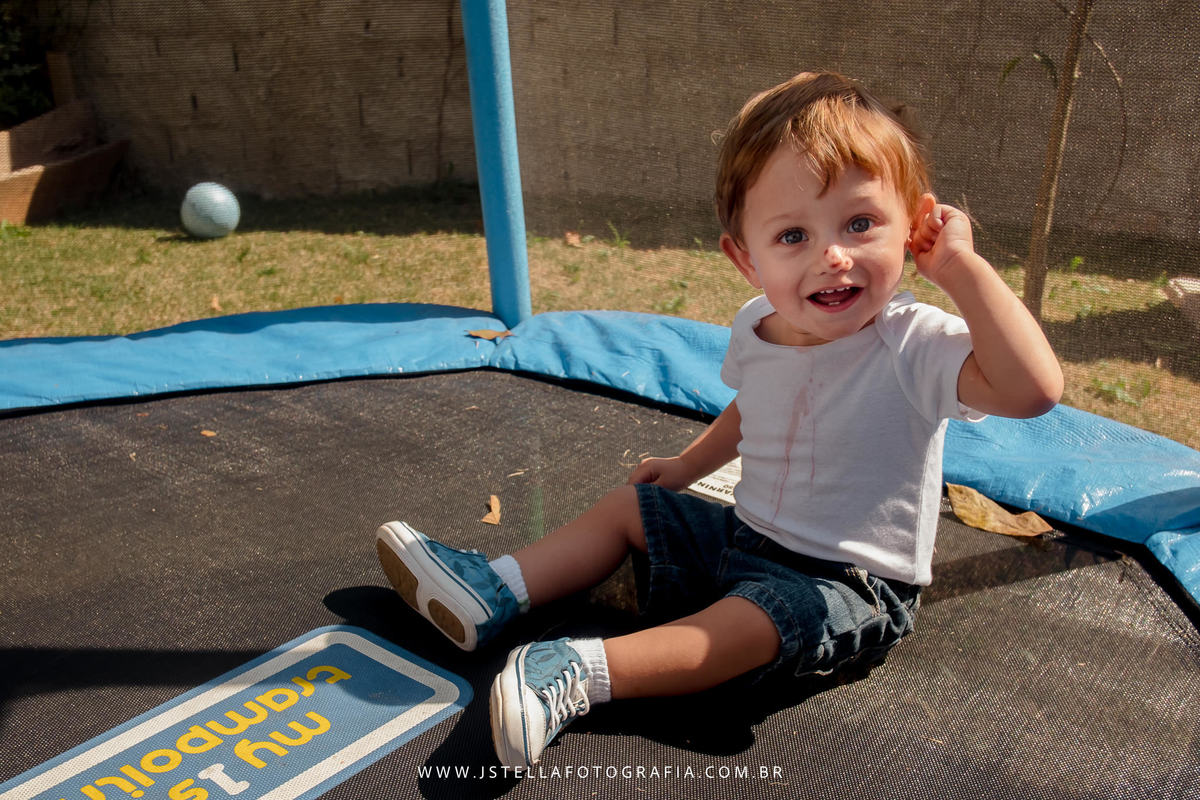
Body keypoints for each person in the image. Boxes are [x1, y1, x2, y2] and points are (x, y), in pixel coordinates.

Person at [373, 71, 1063, 769]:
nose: (833, 255)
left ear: (912, 225)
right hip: (745, 535)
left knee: (756, 621)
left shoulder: (913, 343)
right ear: (745, 258)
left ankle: (579, 671)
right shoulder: (759, 326)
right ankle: (496, 588)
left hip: (847, 584)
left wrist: (962, 269)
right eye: (793, 235)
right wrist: (688, 465)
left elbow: (1034, 390)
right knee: (629, 508)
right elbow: (752, 407)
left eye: (860, 224)